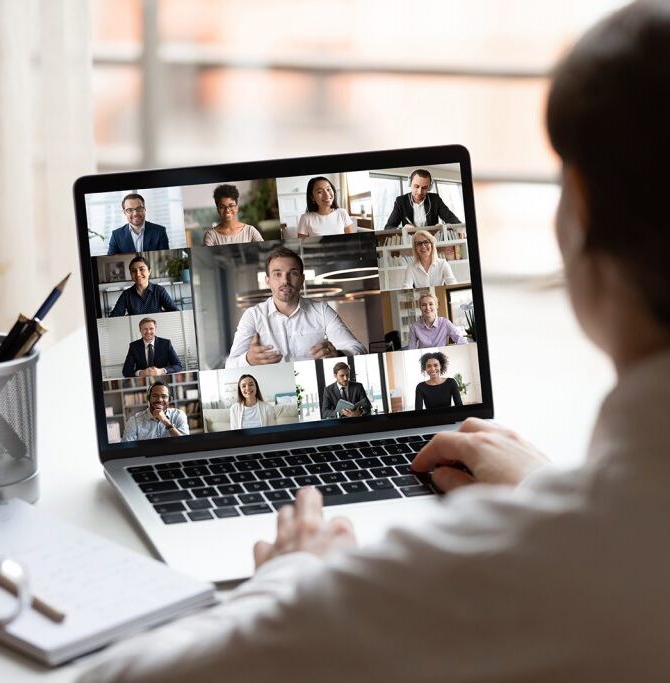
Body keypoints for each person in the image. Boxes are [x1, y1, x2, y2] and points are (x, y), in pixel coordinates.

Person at [79, 3, 670, 680]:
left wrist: (294, 579)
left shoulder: (485, 571)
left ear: (581, 207)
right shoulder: (583, 533)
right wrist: (552, 493)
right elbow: (225, 362)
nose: (280, 278)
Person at [225, 246, 366, 367]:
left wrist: (338, 354)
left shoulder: (321, 310)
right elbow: (230, 365)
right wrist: (249, 359)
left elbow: (359, 349)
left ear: (302, 280)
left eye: (292, 273)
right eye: (277, 274)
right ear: (267, 280)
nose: (285, 281)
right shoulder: (253, 316)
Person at [384, 168, 460, 229]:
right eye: (416, 186)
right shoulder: (401, 201)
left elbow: (456, 222)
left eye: (424, 188)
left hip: (431, 240)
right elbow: (388, 227)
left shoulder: (435, 199)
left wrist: (444, 227)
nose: (420, 192)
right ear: (410, 184)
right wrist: (402, 229)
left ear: (429, 188)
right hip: (410, 241)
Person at [109, 256, 179, 317]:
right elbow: (114, 316)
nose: (138, 274)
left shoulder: (159, 290)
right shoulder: (126, 295)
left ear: (149, 271)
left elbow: (175, 312)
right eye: (133, 271)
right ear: (130, 274)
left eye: (141, 269)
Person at [121, 380, 189, 442]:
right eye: (155, 396)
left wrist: (166, 421)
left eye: (164, 396)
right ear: (148, 398)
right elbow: (127, 449)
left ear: (170, 400)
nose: (159, 400)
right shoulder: (134, 421)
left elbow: (185, 443)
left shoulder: (179, 415)